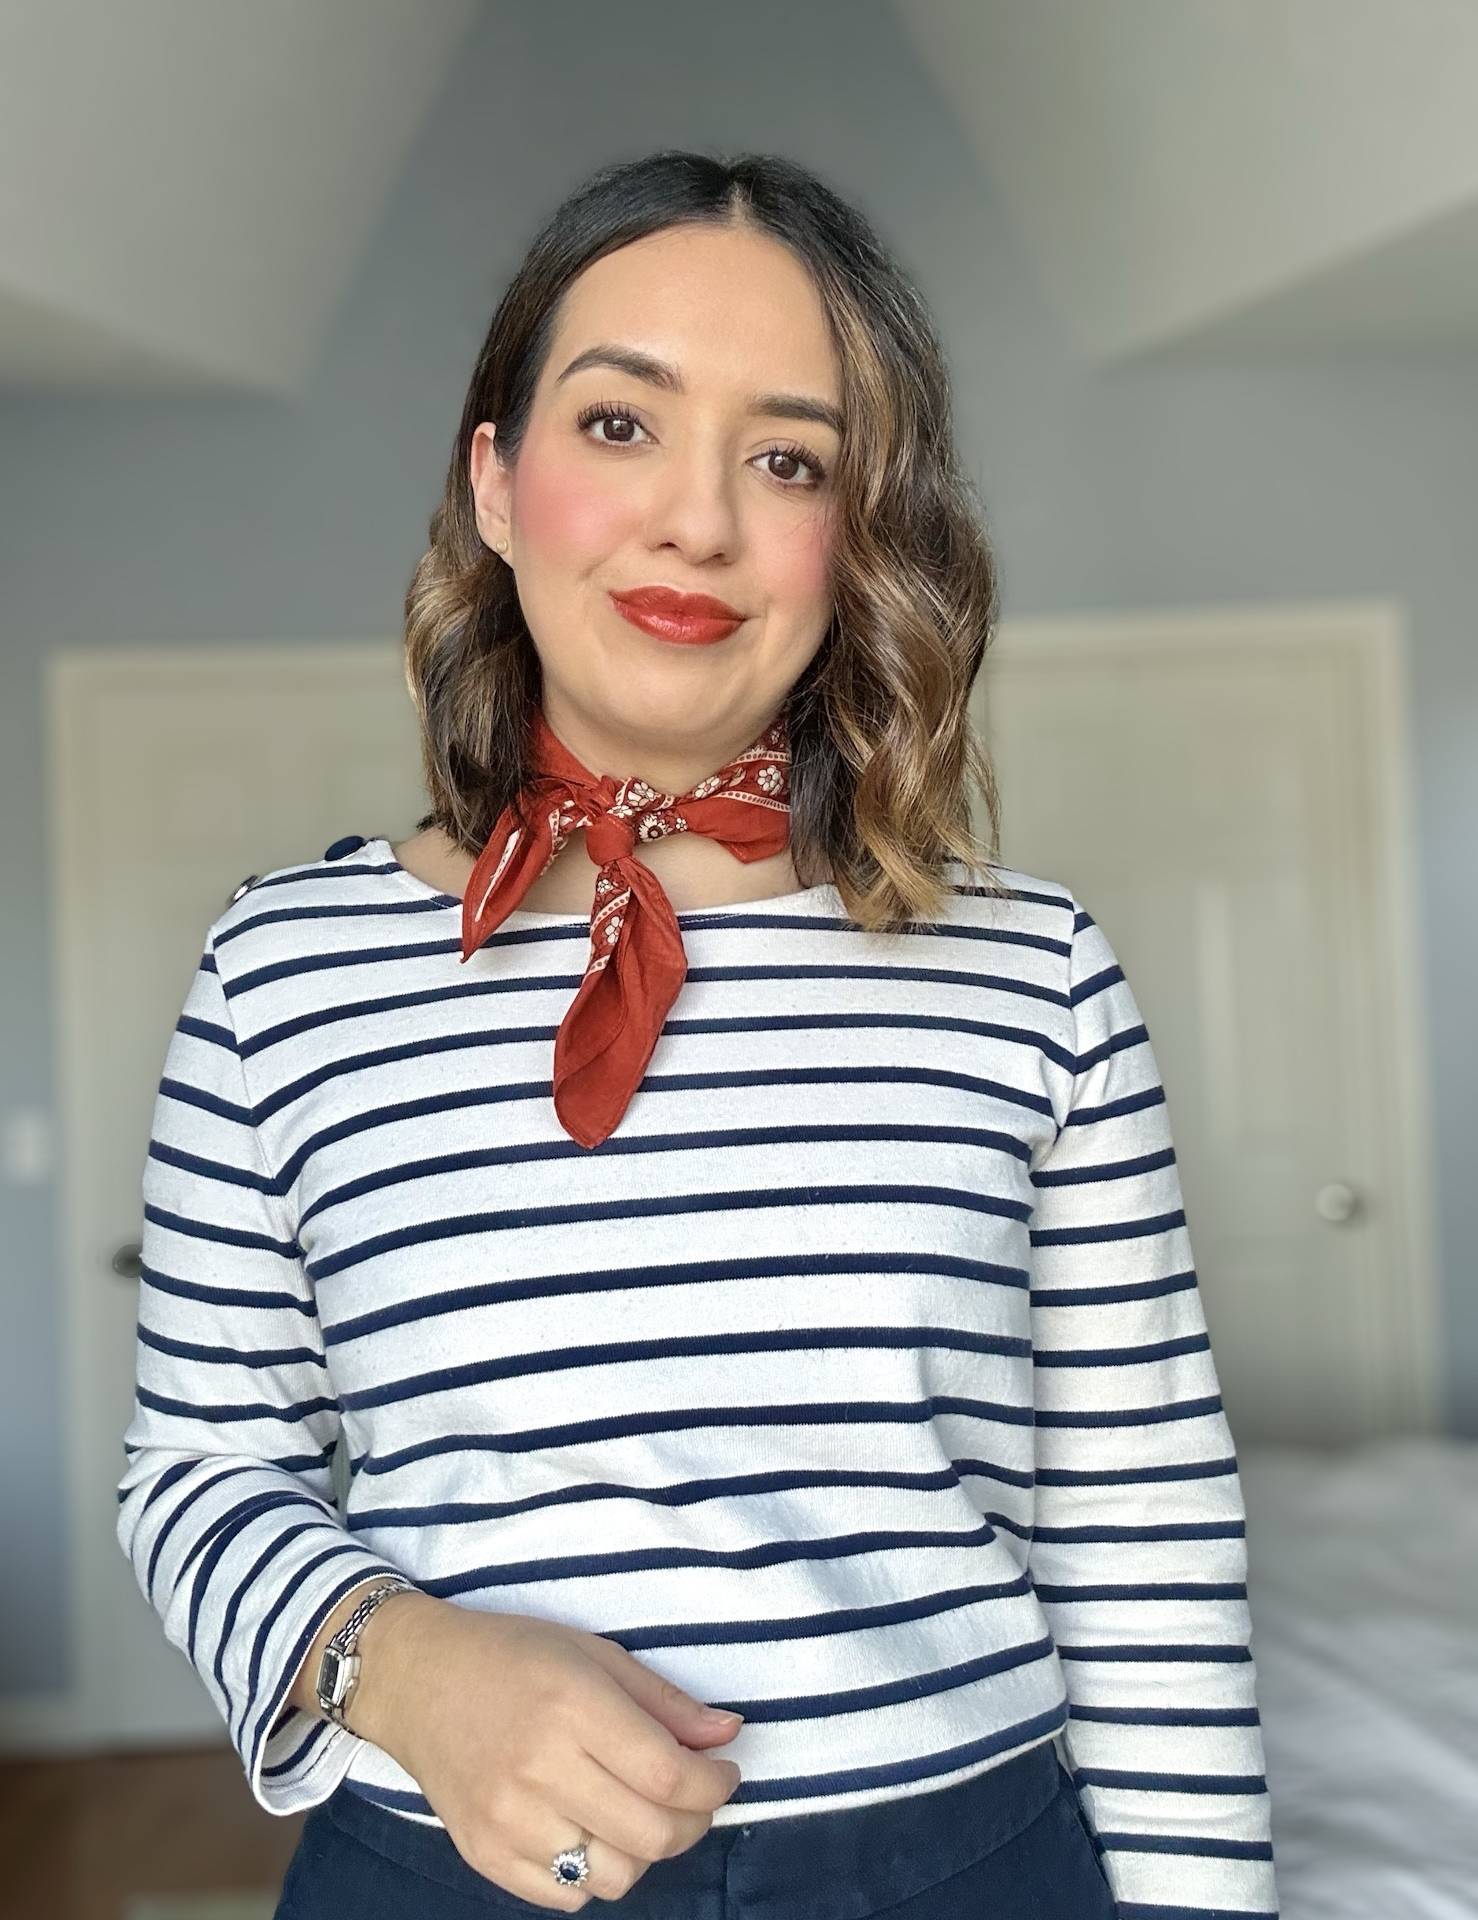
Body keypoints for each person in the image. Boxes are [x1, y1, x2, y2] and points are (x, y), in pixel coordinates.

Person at [118, 152, 1275, 1920]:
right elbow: (199, 1467)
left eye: (790, 459)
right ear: (495, 485)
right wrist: (401, 1667)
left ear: (860, 538)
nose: (699, 523)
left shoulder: (1036, 973)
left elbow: (1149, 1536)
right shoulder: (280, 968)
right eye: (618, 425)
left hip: (970, 1870)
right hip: (444, 1875)